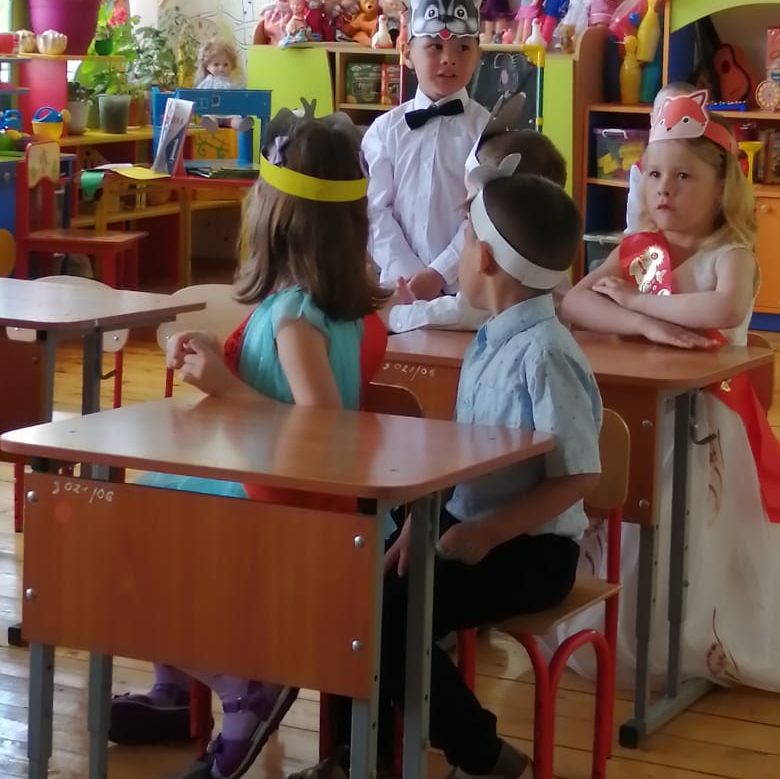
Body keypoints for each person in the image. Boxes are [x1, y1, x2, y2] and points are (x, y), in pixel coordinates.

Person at [290, 172, 602, 779]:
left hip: (531, 552)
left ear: (483, 259)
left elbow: (578, 477)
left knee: (390, 617)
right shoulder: (490, 338)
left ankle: (480, 754)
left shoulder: (546, 353)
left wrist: (488, 533)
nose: (457, 254)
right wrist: (417, 524)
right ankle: (361, 755)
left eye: (464, 240)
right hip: (463, 527)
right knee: (352, 585)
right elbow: (462, 460)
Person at [109, 115, 390, 779]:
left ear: (275, 218)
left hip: (276, 504)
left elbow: (322, 427)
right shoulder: (335, 310)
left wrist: (226, 387)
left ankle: (241, 692)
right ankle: (176, 692)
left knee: (126, 546)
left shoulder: (294, 317)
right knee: (148, 511)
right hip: (285, 496)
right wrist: (223, 364)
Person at [559, 91, 780, 691]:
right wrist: (642, 324)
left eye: (684, 176)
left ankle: (695, 636)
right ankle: (631, 631)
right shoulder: (639, 250)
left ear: (721, 186)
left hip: (708, 420)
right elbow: (576, 301)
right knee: (634, 517)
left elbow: (723, 307)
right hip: (644, 410)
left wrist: (638, 303)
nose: (664, 189)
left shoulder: (729, 254)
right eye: (654, 174)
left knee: (694, 525)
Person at [361, 0, 490, 301]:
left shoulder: (488, 130)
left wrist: (439, 273)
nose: (449, 58)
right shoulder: (383, 132)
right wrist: (409, 275)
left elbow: (484, 211)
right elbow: (374, 210)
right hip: (398, 290)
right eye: (435, 46)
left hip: (465, 292)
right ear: (407, 52)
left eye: (463, 47)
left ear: (478, 54)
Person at [386, 127, 568, 333]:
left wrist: (396, 314)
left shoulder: (514, 272)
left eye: (471, 200)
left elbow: (463, 312)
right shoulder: (546, 255)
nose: (466, 211)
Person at [625, 81, 708, 233]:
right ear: (652, 119)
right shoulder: (640, 169)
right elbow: (635, 225)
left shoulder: (705, 167)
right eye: (666, 112)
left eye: (682, 114)